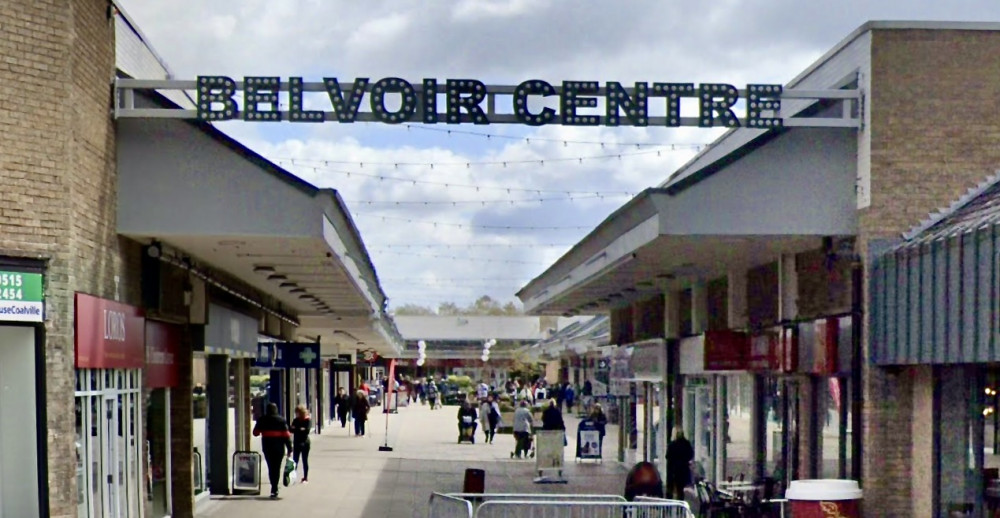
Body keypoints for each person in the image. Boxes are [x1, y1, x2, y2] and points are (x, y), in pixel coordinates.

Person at [252, 403, 292, 499]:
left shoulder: (262, 419)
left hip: (267, 447)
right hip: (279, 448)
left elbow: (255, 433)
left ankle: (273, 486)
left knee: (271, 467)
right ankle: (275, 487)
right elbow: (286, 436)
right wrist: (290, 448)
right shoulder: (281, 420)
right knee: (277, 467)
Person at [666, 428, 695, 500]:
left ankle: (669, 503)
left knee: (670, 489)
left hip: (673, 470)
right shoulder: (686, 444)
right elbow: (690, 455)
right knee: (680, 490)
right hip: (683, 470)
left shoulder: (672, 445)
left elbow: (667, 456)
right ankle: (680, 503)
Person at [290, 405, 312, 483]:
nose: (296, 414)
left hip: (305, 442)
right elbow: (291, 429)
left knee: (304, 460)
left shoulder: (307, 420)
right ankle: (293, 477)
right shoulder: (296, 420)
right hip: (296, 442)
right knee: (295, 460)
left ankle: (305, 477)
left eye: (297, 413)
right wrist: (300, 429)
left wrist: (296, 429)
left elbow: (307, 431)